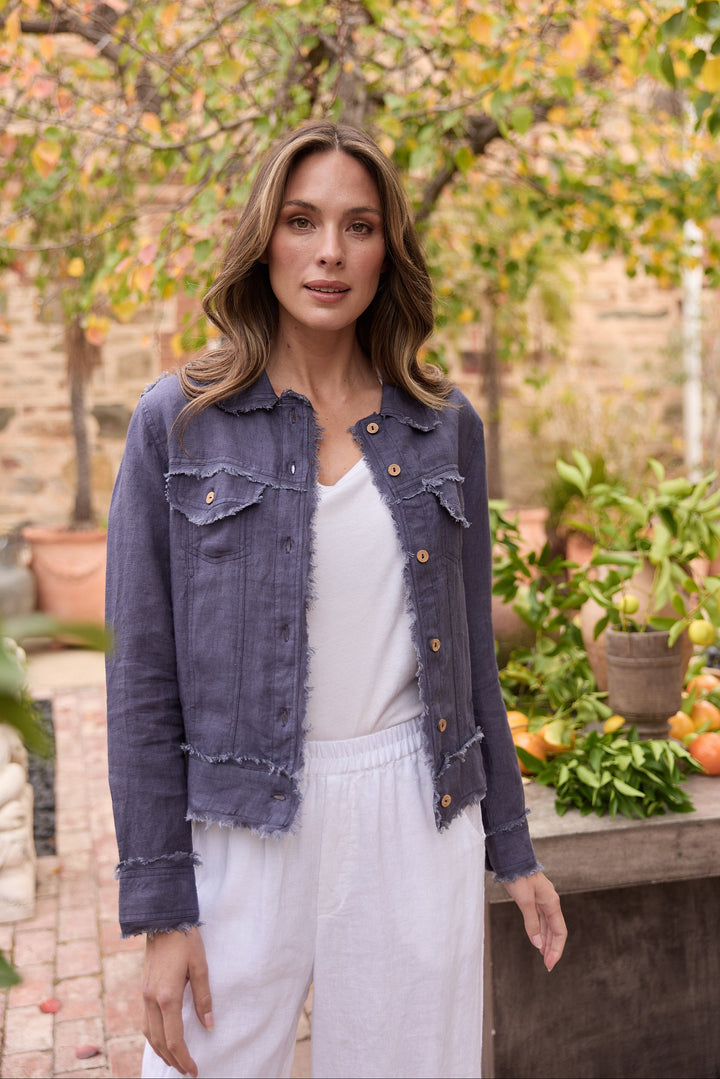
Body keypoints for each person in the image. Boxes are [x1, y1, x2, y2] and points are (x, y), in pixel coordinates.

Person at [105, 120, 567, 1079]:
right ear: (262, 238)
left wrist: (514, 851)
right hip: (240, 815)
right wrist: (162, 912)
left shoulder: (444, 427)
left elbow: (471, 657)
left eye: (358, 227)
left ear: (386, 250)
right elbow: (141, 680)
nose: (328, 252)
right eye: (302, 220)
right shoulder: (178, 423)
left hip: (413, 806)